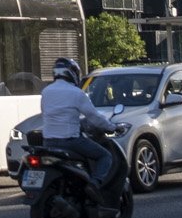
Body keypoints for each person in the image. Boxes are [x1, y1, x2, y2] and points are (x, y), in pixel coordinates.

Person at [37, 57, 123, 206]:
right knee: (105, 156)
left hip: (48, 142)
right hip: (70, 142)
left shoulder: (46, 92)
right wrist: (112, 127)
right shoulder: (76, 93)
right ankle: (94, 184)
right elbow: (94, 117)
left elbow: (48, 113)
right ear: (72, 73)